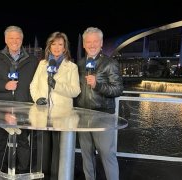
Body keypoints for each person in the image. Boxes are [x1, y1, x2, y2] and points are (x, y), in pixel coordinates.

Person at [0, 25, 38, 173]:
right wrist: (5, 85)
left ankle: (23, 171)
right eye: (11, 38)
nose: (14, 41)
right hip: (2, 106)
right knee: (0, 141)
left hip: (23, 106)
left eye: (17, 38)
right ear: (5, 40)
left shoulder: (33, 60)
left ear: (22, 39)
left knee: (23, 142)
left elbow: (37, 84)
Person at [29, 31, 81, 179]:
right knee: (43, 151)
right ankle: (42, 176)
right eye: (54, 44)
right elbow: (33, 85)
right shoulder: (42, 64)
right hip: (42, 114)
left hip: (62, 115)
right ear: (49, 46)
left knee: (59, 151)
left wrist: (56, 85)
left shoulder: (72, 67)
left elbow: (75, 91)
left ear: (65, 48)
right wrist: (38, 98)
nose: (57, 47)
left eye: (60, 44)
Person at [75, 27, 123, 180]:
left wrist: (98, 85)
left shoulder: (110, 63)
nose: (92, 44)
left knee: (107, 154)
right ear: (83, 44)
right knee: (86, 155)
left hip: (103, 115)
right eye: (88, 42)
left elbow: (117, 89)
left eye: (95, 41)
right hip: (83, 115)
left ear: (101, 43)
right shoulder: (80, 64)